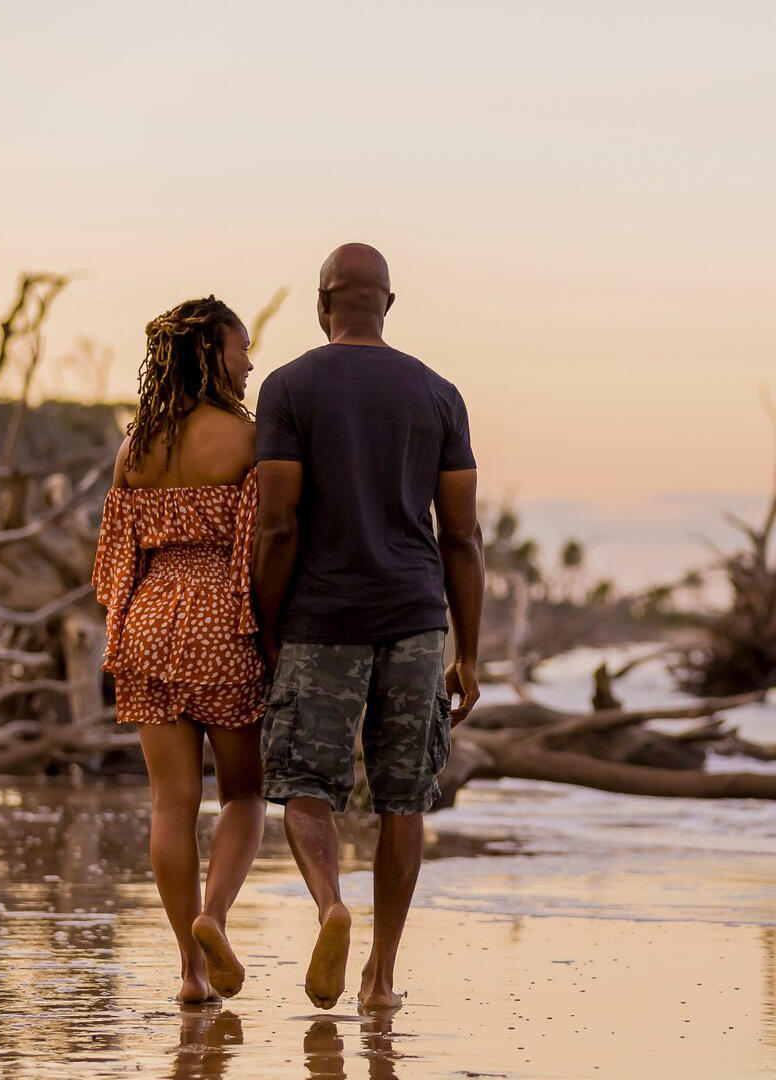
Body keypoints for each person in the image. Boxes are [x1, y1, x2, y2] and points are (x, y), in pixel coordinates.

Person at [251, 243, 485, 1012]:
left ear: (324, 305)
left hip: (322, 616)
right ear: (389, 303)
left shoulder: (289, 387)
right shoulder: (438, 394)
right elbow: (461, 536)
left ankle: (331, 907)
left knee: (308, 790)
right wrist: (470, 652)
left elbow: (278, 522)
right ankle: (380, 976)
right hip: (416, 621)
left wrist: (267, 622)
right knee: (403, 798)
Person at [91, 296, 268, 1004]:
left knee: (170, 803)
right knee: (246, 792)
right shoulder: (250, 441)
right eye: (241, 348)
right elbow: (262, 549)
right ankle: (213, 917)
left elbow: (112, 568)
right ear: (209, 354)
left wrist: (133, 625)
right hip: (221, 620)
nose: (250, 363)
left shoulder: (134, 450)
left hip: (147, 620)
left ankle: (191, 973)